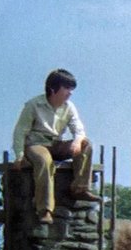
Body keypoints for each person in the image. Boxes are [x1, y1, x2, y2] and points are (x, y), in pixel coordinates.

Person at [12, 69, 100, 224]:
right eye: (66, 88)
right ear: (53, 89)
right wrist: (19, 155)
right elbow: (20, 131)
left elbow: (78, 129)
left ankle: (80, 188)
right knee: (44, 161)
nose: (70, 93)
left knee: (86, 144)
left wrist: (77, 141)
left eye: (71, 89)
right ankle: (45, 210)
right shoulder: (34, 105)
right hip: (36, 144)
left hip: (56, 143)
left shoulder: (69, 107)